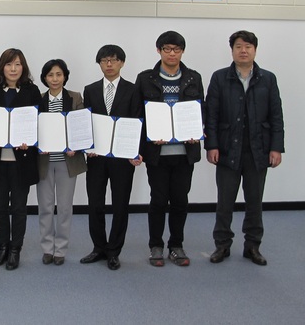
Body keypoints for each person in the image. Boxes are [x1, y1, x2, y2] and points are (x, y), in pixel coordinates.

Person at [205, 30, 284, 266]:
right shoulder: (220, 77)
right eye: (238, 46)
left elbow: (276, 115)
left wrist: (276, 148)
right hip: (227, 149)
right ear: (232, 50)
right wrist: (212, 145)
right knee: (224, 202)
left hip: (258, 151)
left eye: (248, 46)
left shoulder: (268, 79)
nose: (243, 51)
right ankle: (222, 245)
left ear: (255, 50)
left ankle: (252, 246)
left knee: (254, 202)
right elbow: (211, 115)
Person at [135, 31, 204, 267]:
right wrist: (143, 142)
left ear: (182, 51)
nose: (172, 53)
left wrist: (198, 130)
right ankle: (155, 246)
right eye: (167, 49)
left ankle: (176, 246)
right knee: (158, 200)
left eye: (176, 49)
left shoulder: (194, 78)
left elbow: (200, 110)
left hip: (185, 153)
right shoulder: (146, 78)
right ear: (159, 50)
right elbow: (138, 115)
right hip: (157, 154)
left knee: (180, 201)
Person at [80, 45, 142, 271]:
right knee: (95, 203)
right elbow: (86, 123)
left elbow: (137, 121)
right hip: (96, 157)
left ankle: (114, 251)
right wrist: (87, 146)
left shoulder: (133, 90)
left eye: (114, 60)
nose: (109, 64)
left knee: (120, 204)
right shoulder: (90, 90)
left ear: (122, 63)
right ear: (99, 63)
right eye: (104, 60)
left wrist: (136, 151)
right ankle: (99, 247)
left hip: (122, 159)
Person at [0, 48, 41, 271]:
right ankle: (2, 247)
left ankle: (16, 249)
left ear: (23, 67)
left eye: (18, 64)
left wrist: (31, 140)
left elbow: (38, 123)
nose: (13, 69)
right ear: (2, 67)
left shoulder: (32, 91)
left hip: (22, 161)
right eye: (9, 64)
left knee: (19, 207)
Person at [36, 59, 86, 266]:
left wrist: (77, 145)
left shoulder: (75, 97)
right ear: (44, 78)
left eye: (59, 74)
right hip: (44, 162)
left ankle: (61, 249)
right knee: (45, 207)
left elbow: (82, 126)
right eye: (50, 75)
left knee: (64, 207)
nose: (55, 79)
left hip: (68, 161)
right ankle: (47, 248)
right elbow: (32, 129)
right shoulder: (38, 99)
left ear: (65, 76)